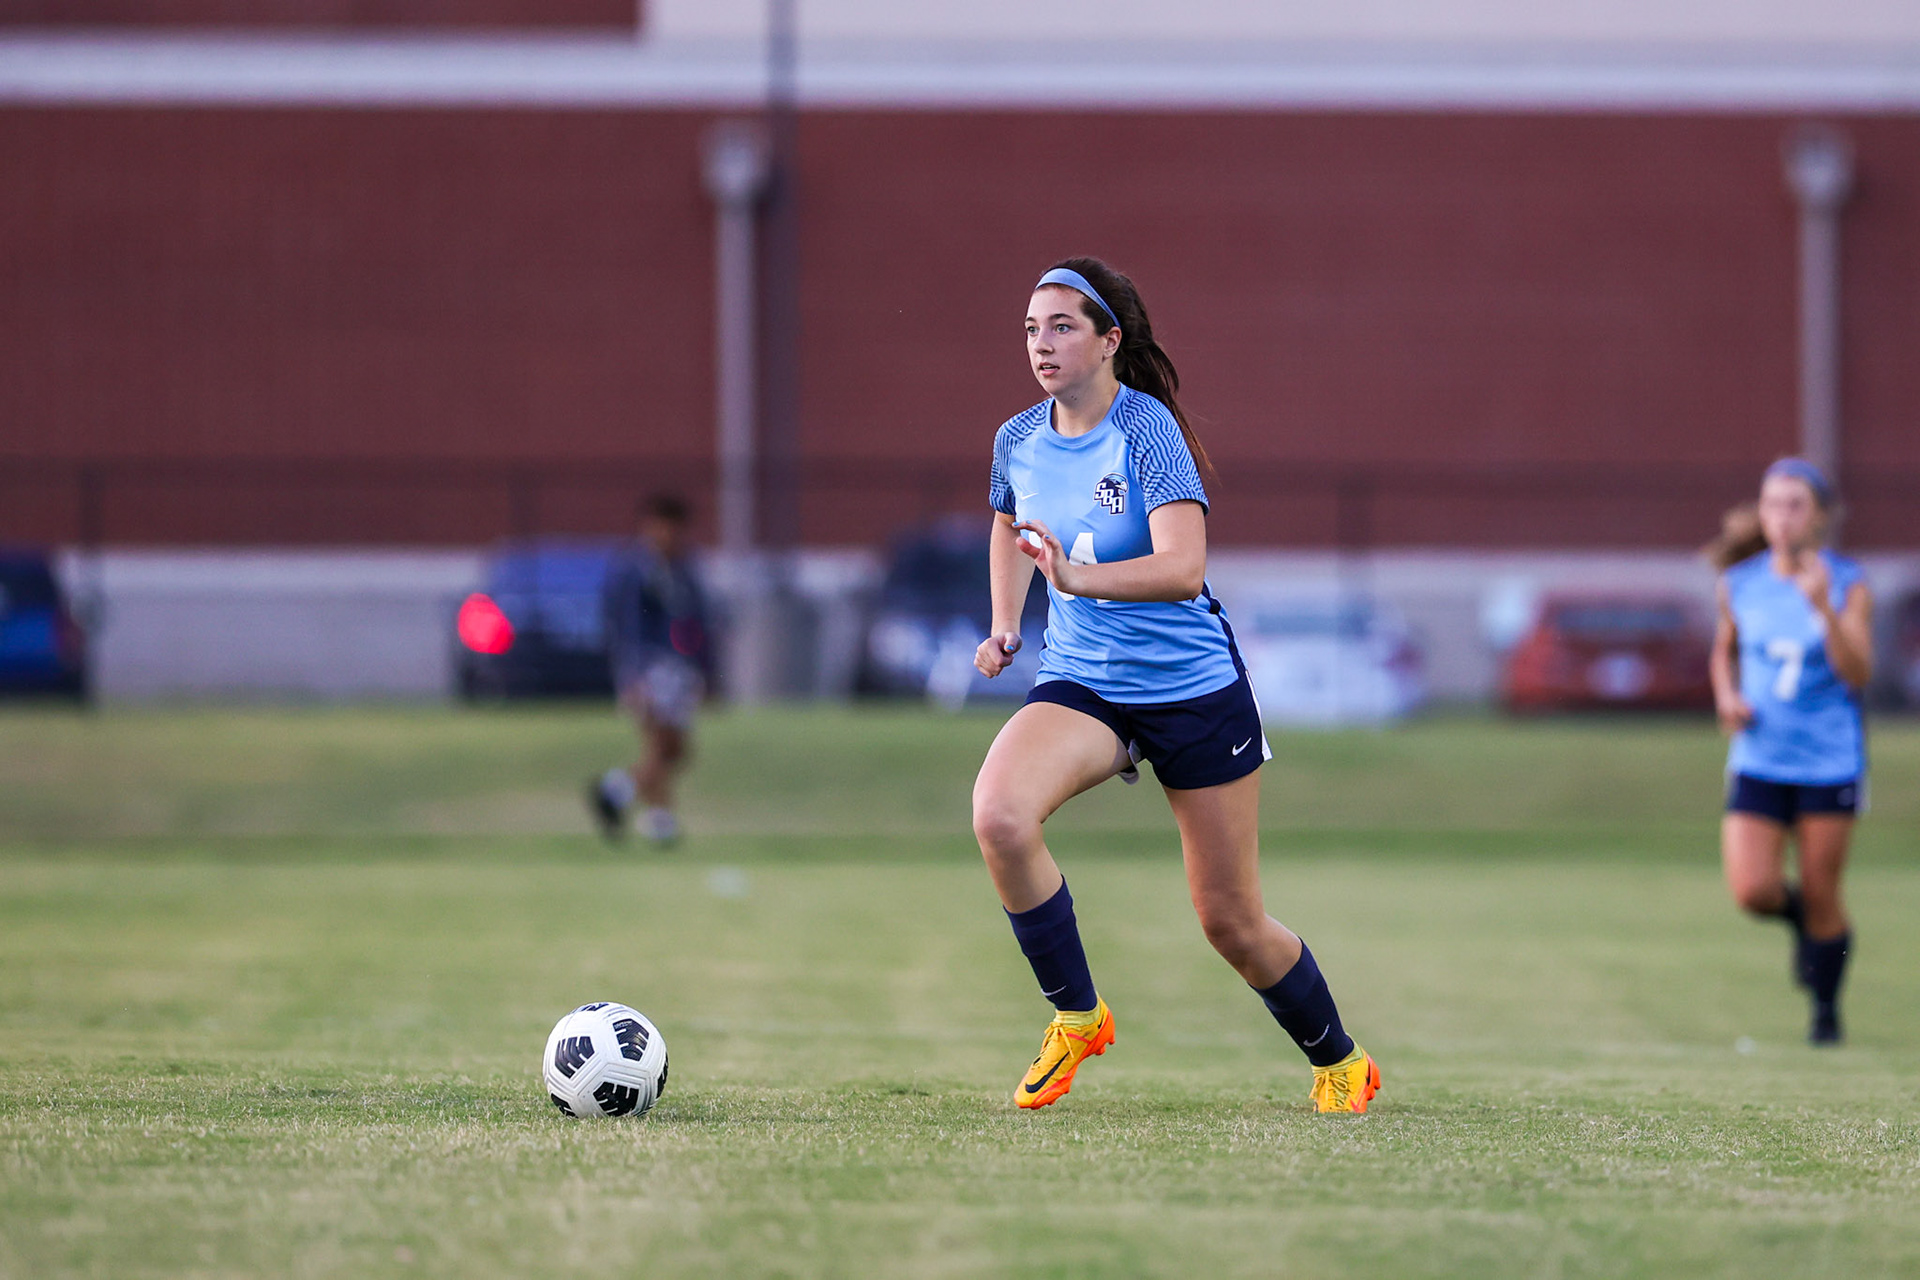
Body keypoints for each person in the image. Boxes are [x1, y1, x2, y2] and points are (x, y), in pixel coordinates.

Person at [971, 257, 1380, 1113]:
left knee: (1230, 923)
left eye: (1062, 327)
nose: (1041, 345)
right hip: (1085, 681)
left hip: (1192, 690)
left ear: (1110, 340)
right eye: (1031, 329)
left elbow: (1184, 570)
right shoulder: (1017, 437)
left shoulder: (1146, 429)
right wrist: (1009, 622)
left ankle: (1341, 1063)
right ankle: (1077, 1016)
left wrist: (1079, 582)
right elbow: (1009, 524)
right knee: (1001, 816)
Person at [1705, 458, 1873, 1044]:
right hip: (1760, 755)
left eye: (1795, 504)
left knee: (1825, 889)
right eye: (1773, 504)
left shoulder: (1848, 583)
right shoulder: (1740, 583)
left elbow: (1858, 670)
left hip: (1828, 760)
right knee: (1753, 890)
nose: (1782, 517)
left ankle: (1825, 1017)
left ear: (1820, 516)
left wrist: (1822, 606)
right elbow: (1724, 651)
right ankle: (1805, 927)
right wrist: (1727, 697)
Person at [589, 493, 714, 845]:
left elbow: (700, 622)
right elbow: (625, 626)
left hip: (679, 668)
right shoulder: (635, 570)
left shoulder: (686, 569)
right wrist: (633, 676)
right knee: (663, 743)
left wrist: (703, 669)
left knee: (669, 750)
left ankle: (624, 795)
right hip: (651, 668)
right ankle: (651, 814)